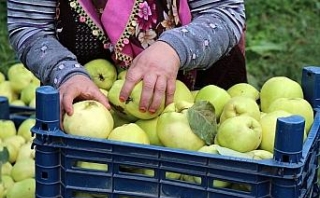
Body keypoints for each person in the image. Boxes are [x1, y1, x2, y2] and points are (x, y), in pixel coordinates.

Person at [7, 0, 246, 119]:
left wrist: (173, 48)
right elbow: (30, 26)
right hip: (83, 113)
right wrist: (65, 73)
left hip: (200, 106)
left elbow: (225, 12)